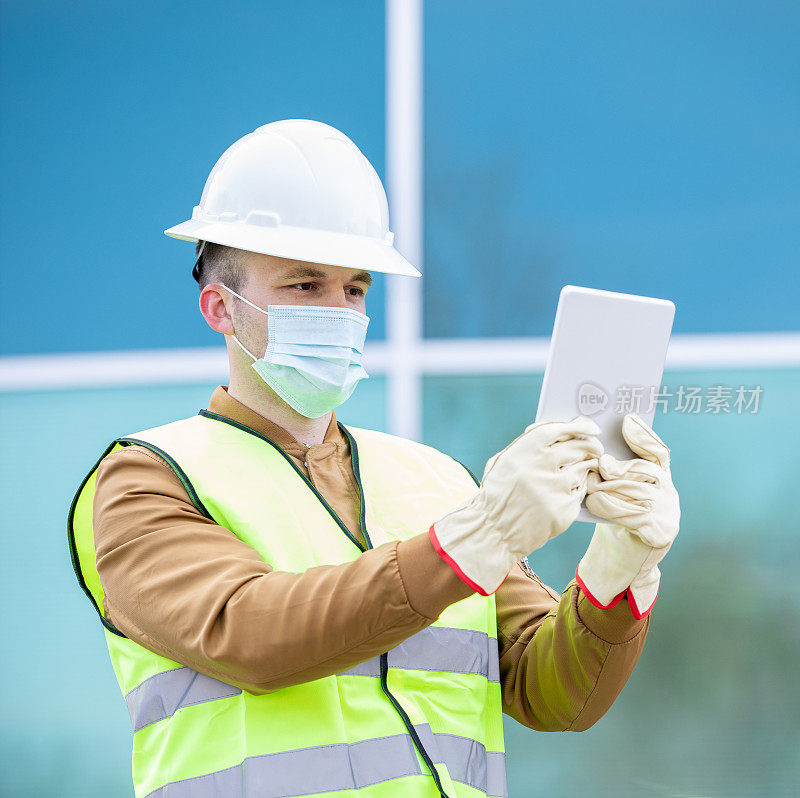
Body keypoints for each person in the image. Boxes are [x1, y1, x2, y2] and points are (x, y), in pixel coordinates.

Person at [68, 120, 681, 798]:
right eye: (305, 286)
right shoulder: (146, 477)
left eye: (355, 289)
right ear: (220, 307)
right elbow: (253, 634)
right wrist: (478, 536)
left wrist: (620, 568)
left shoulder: (437, 480)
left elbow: (554, 695)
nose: (339, 310)